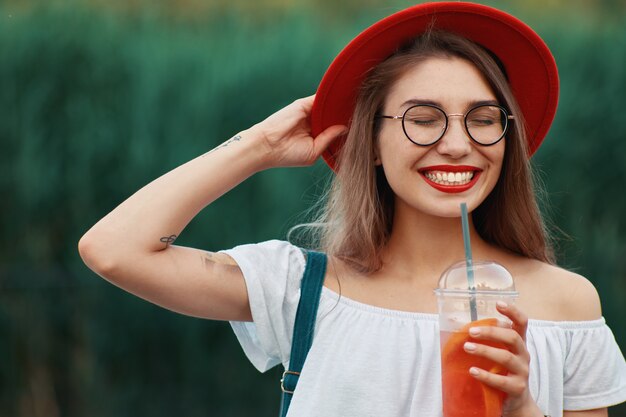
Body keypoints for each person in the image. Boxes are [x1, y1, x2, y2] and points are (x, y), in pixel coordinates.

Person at [78, 2, 626, 417]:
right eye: (423, 117)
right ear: (373, 144)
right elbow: (113, 250)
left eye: (483, 118)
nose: (458, 144)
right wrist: (258, 146)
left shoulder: (566, 305)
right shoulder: (304, 289)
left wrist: (523, 407)